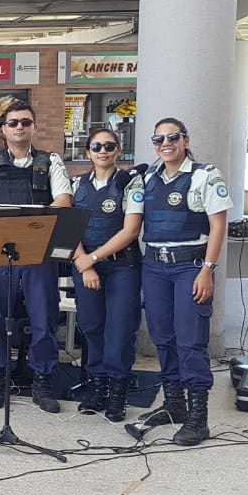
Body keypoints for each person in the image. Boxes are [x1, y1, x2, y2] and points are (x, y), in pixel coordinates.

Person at [0, 100, 72, 413]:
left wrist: (29, 225)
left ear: (34, 127)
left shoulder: (51, 161)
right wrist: (24, 221)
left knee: (44, 319)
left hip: (40, 253)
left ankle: (42, 379)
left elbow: (63, 201)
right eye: (13, 123)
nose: (19, 127)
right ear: (3, 129)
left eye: (25, 122)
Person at [138, 118, 230, 447]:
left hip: (190, 267)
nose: (166, 143)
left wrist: (208, 268)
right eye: (159, 138)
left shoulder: (205, 175)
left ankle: (197, 419)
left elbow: (218, 226)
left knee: (190, 341)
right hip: (154, 266)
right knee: (163, 338)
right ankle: (175, 405)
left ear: (185, 140)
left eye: (172, 137)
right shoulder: (148, 177)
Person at [69, 127, 144, 422]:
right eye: (96, 146)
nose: (103, 151)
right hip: (85, 265)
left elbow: (131, 230)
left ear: (119, 151)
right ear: (88, 151)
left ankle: (117, 392)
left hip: (121, 266)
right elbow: (69, 223)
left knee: (120, 329)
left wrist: (92, 259)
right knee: (91, 326)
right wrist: (83, 262)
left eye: (109, 146)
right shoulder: (77, 185)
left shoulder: (130, 184)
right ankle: (96, 386)